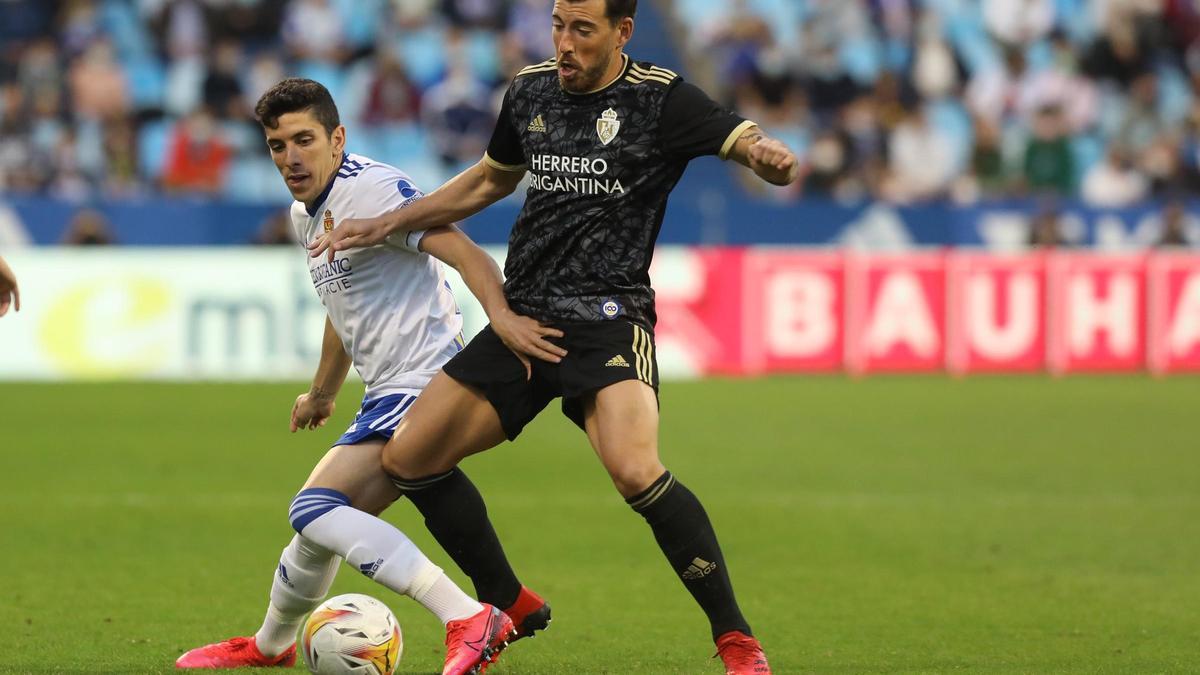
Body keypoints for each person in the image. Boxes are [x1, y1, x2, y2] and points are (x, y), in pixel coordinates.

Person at [310, 1, 798, 672]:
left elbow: (739, 136)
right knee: (408, 458)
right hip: (524, 316)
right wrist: (389, 221)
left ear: (622, 32)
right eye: (558, 26)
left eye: (583, 30)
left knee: (634, 468)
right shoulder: (532, 89)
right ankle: (507, 603)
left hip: (607, 319)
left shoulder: (661, 99)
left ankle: (736, 637)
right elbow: (487, 180)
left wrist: (762, 153)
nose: (564, 44)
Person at [176, 78, 565, 674]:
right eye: (277, 146)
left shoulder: (374, 191)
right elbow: (344, 307)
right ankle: (271, 646)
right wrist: (323, 390)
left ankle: (468, 614)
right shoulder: (304, 216)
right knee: (317, 530)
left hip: (424, 380)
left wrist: (504, 318)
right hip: (384, 390)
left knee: (313, 508)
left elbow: (465, 253)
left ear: (337, 138)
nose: (291, 157)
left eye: (303, 140)